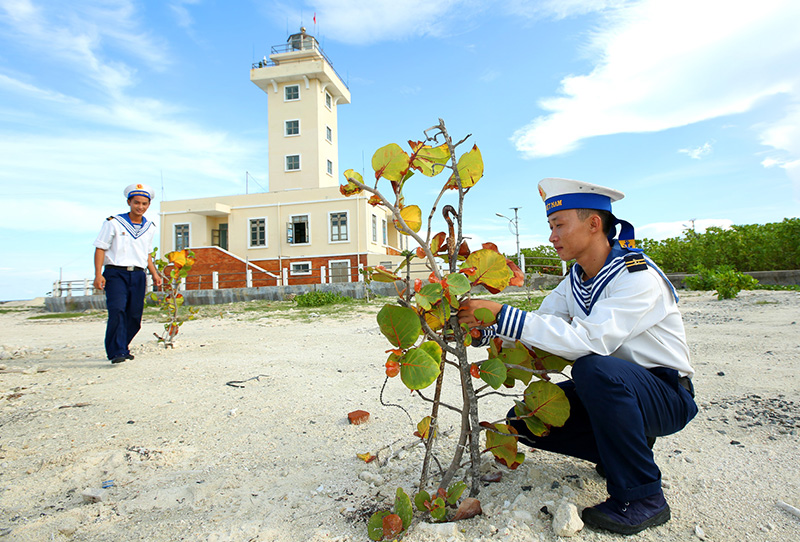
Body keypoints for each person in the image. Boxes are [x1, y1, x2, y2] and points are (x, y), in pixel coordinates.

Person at [458, 177, 697, 535]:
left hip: (665, 394)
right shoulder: (576, 280)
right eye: (550, 227)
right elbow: (542, 324)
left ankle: (644, 498)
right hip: (617, 393)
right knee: (525, 420)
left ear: (593, 224)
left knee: (591, 367)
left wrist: (502, 312)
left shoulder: (636, 276)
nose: (552, 236)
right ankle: (620, 452)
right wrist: (485, 330)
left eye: (559, 225)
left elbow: (588, 341)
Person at [93, 184, 162, 364]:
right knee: (117, 309)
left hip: (138, 275)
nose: (140, 207)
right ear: (129, 202)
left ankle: (122, 346)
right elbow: (100, 248)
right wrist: (98, 274)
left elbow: (146, 254)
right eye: (136, 203)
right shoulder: (113, 222)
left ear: (148, 205)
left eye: (144, 204)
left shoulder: (150, 227)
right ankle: (117, 352)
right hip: (116, 272)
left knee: (134, 315)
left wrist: (154, 274)